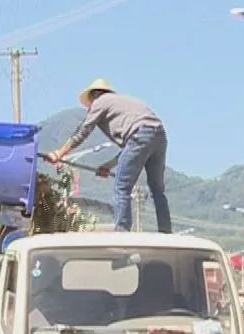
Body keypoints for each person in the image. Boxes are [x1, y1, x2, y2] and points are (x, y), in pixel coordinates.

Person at [43, 79, 171, 233]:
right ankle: (165, 231)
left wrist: (59, 152)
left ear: (93, 96)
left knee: (122, 187)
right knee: (157, 190)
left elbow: (83, 131)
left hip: (138, 135)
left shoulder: (101, 102)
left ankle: (122, 231)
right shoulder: (121, 104)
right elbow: (131, 148)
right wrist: (108, 166)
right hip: (159, 135)